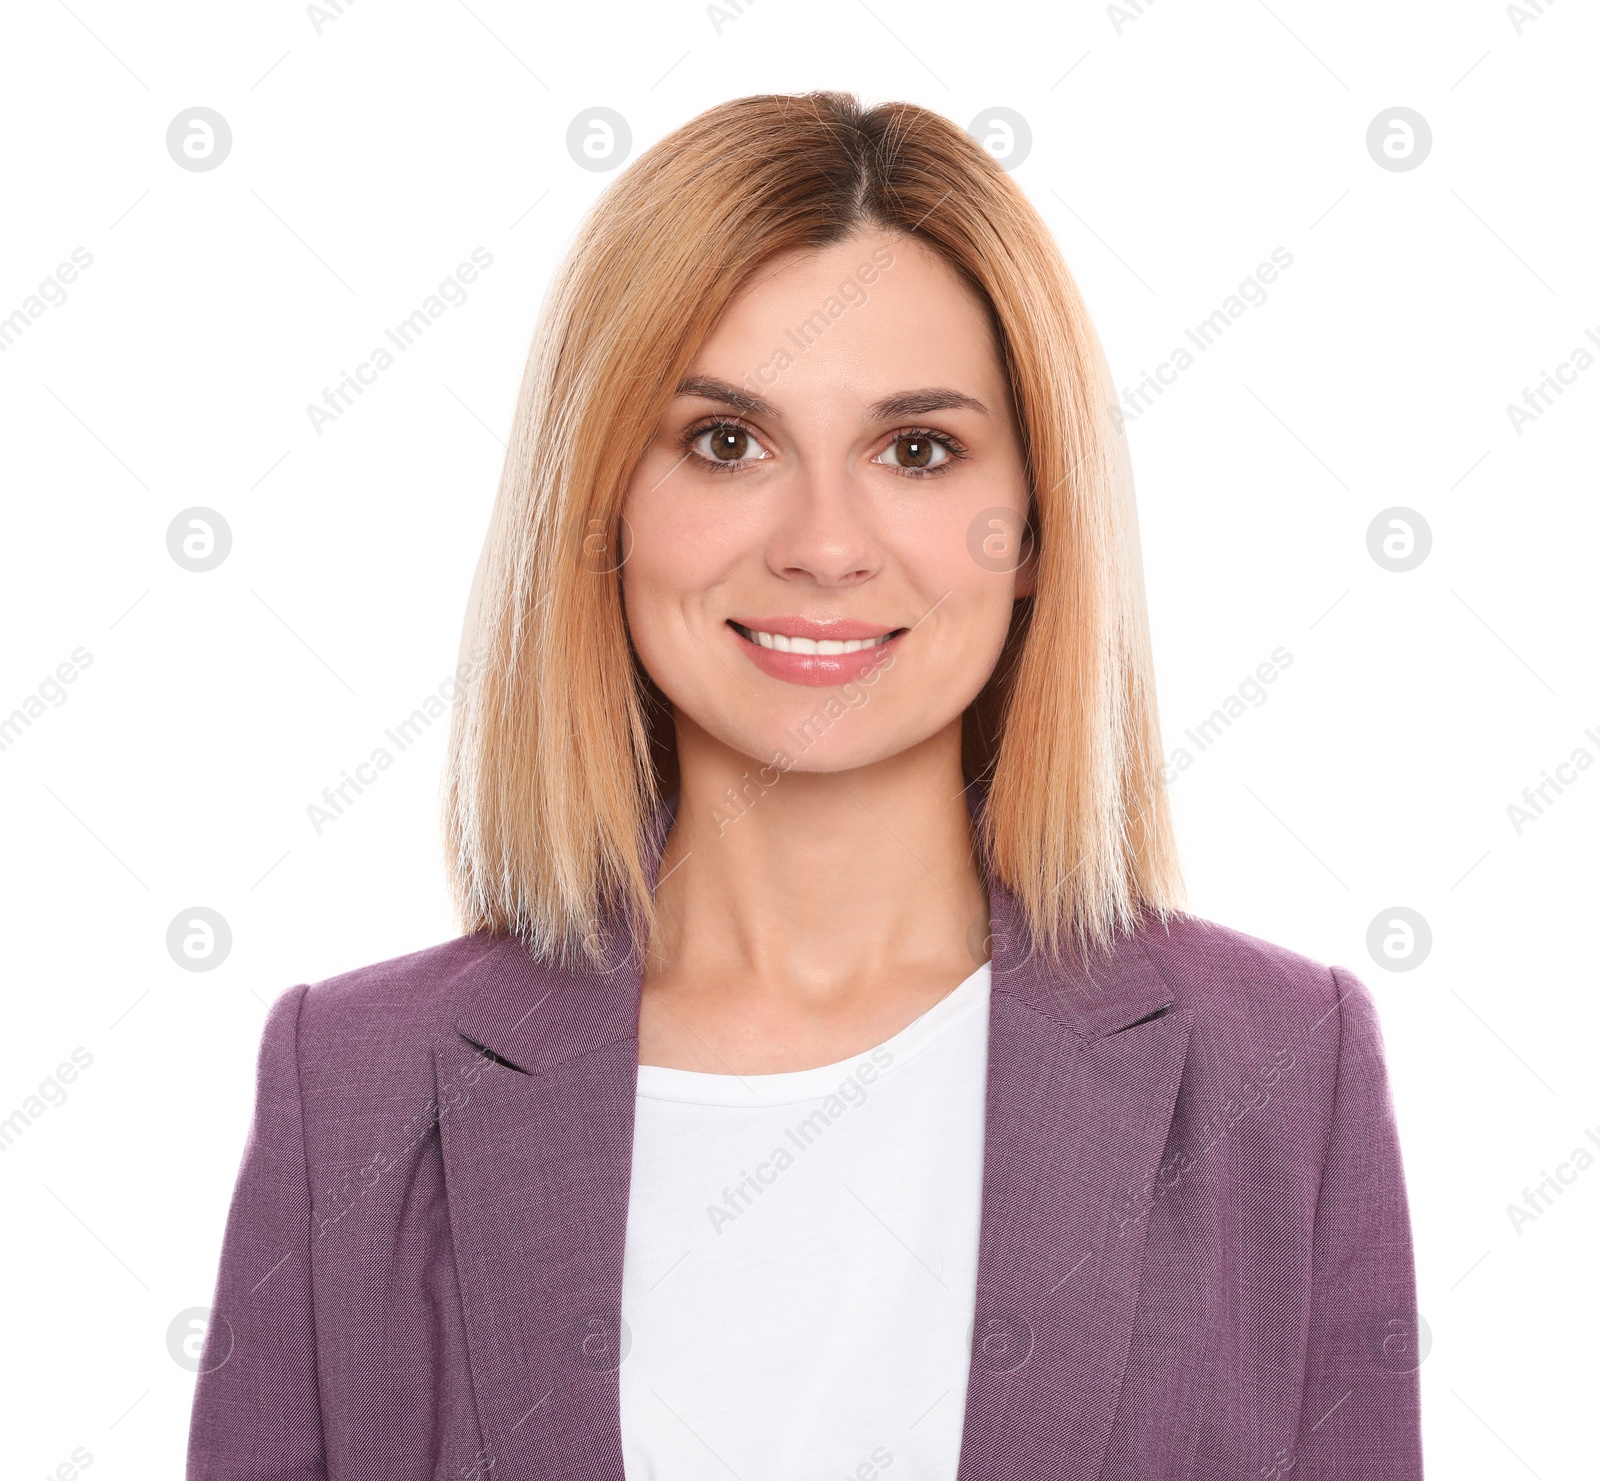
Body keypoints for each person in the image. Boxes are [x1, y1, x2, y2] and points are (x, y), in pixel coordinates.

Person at [187, 91, 1424, 1480]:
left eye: (916, 449)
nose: (825, 545)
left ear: (1035, 526)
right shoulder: (350, 1083)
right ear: (603, 508)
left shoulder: (1279, 1065)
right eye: (726, 442)